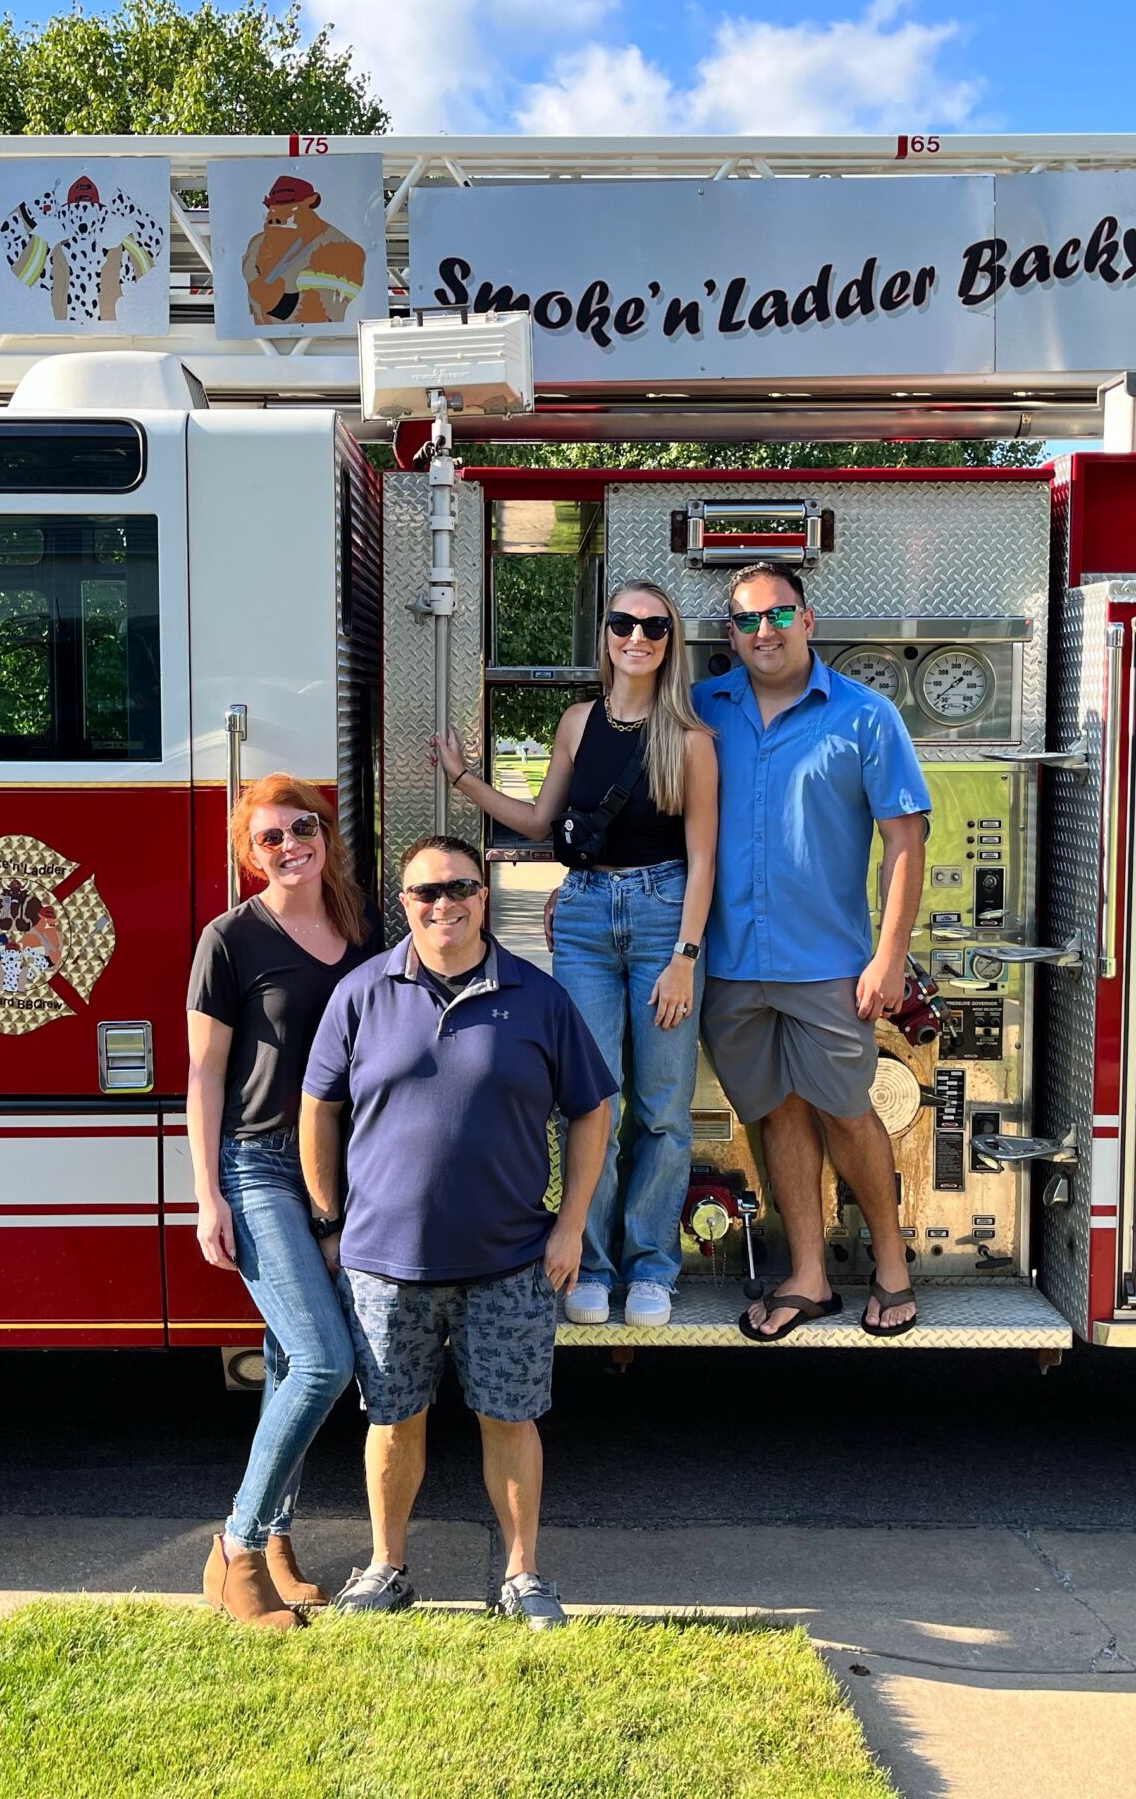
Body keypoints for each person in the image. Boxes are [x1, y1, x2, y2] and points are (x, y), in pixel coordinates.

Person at [300, 836, 614, 1628]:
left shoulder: (539, 998)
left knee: (511, 1419)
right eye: (423, 892)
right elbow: (318, 1109)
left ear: (484, 897)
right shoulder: (362, 994)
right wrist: (330, 1220)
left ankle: (523, 1576)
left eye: (459, 888)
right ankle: (385, 1566)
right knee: (391, 1417)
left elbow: (592, 1109)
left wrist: (570, 1225)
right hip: (384, 1262)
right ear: (402, 903)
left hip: (510, 1260)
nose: (442, 904)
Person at [434, 579, 718, 1329]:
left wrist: (686, 955)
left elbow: (703, 858)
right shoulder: (576, 722)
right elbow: (536, 818)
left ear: (670, 640)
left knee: (661, 1108)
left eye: (654, 626)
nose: (638, 636)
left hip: (664, 918)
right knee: (594, 1100)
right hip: (586, 913)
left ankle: (652, 1267)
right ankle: (591, 1262)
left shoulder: (690, 739)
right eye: (624, 622)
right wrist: (462, 777)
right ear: (606, 634)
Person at [691, 563, 931, 1342]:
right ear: (729, 633)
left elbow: (906, 841)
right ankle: (808, 1275)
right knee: (772, 1113)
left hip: (828, 962)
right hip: (728, 962)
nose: (766, 630)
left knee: (847, 1111)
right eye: (749, 619)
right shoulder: (701, 712)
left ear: (809, 619)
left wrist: (890, 954)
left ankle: (891, 1264)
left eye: (780, 614)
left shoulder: (865, 716)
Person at [187, 776, 378, 1629]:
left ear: (323, 832)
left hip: (340, 1171)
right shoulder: (229, 939)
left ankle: (276, 1537)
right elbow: (203, 1075)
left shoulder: (360, 929)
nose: (291, 843)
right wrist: (206, 1196)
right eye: (270, 837)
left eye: (303, 826)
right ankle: (235, 1546)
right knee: (325, 1358)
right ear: (249, 855)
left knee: (293, 1365)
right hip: (259, 1167)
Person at [241, 175, 367, 326]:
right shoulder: (257, 243)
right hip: (262, 335)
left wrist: (286, 283)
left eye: (290, 207)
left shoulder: (343, 249)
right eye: (273, 208)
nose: (276, 216)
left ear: (309, 204)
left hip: (318, 338)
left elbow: (310, 309)